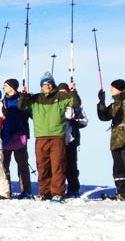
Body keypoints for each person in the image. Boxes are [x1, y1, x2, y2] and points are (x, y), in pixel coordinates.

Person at [19, 73, 80, 201]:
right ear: (41, 85)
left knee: (58, 165)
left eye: (49, 83)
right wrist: (23, 95)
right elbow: (22, 106)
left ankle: (57, 192)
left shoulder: (61, 96)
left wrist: (73, 91)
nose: (47, 86)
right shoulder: (35, 98)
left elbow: (75, 103)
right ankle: (44, 192)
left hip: (57, 136)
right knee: (42, 166)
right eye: (45, 84)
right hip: (41, 137)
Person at [0, 79, 32, 199]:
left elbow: (29, 112)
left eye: (6, 85)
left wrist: (25, 96)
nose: (4, 87)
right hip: (6, 135)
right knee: (4, 164)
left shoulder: (21, 99)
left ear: (12, 87)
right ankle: (6, 190)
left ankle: (26, 191)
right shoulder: (3, 101)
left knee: (22, 164)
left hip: (19, 134)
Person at [62, 82, 89, 197]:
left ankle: (73, 189)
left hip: (72, 140)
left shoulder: (76, 106)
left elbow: (84, 121)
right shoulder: (55, 104)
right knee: (57, 166)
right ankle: (58, 188)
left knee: (71, 166)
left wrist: (75, 121)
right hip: (58, 139)